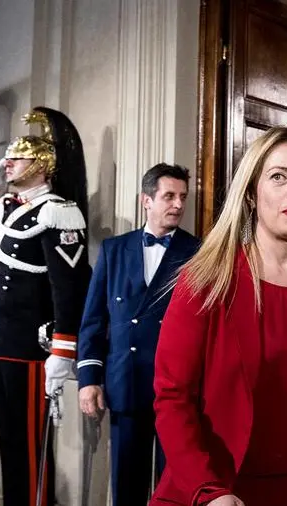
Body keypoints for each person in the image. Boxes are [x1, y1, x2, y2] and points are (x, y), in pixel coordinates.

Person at [150, 127, 287, 506]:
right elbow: (172, 398)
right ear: (252, 193)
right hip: (219, 487)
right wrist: (208, 490)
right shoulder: (207, 280)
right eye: (278, 176)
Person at [0, 107, 91, 506]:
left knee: (30, 442)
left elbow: (68, 288)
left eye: (17, 158)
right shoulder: (10, 206)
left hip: (30, 347)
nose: (8, 163)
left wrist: (63, 349)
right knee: (8, 437)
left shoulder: (58, 212)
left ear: (41, 164)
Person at [77, 163, 200, 505]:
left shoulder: (198, 252)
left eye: (183, 197)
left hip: (177, 388)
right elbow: (93, 320)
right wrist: (89, 379)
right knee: (127, 487)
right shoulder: (115, 250)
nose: (178, 204)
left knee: (175, 489)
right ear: (146, 200)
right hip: (125, 382)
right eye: (169, 196)